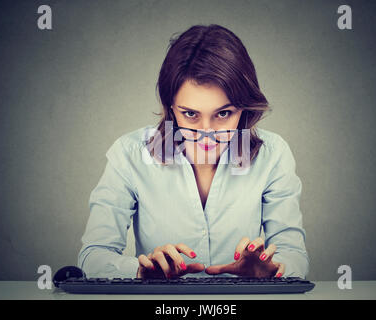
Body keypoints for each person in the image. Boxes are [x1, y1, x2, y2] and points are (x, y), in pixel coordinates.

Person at [78, 24, 309, 280]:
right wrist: (139, 270)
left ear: (244, 108)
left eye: (223, 113)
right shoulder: (129, 154)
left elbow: (294, 254)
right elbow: (93, 256)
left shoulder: (273, 155)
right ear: (170, 108)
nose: (207, 132)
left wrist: (272, 269)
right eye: (190, 114)